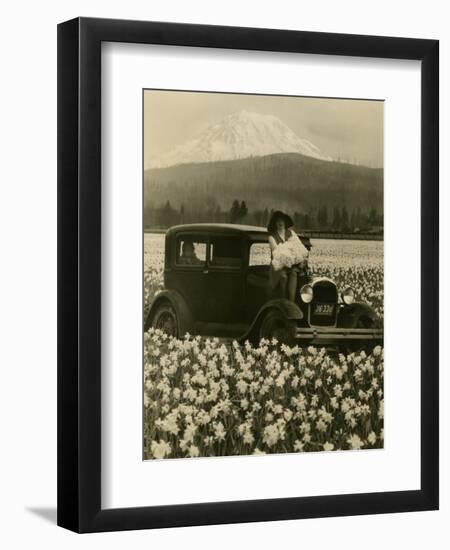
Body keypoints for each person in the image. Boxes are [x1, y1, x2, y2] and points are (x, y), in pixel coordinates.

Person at [267, 210, 302, 302]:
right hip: (278, 265)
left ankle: (291, 302)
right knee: (283, 277)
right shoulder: (271, 237)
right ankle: (283, 302)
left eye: (282, 220)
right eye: (278, 221)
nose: (280, 223)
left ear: (285, 222)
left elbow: (298, 247)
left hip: (291, 264)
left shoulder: (291, 233)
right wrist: (290, 250)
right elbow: (277, 252)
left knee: (294, 273)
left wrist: (294, 254)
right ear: (274, 223)